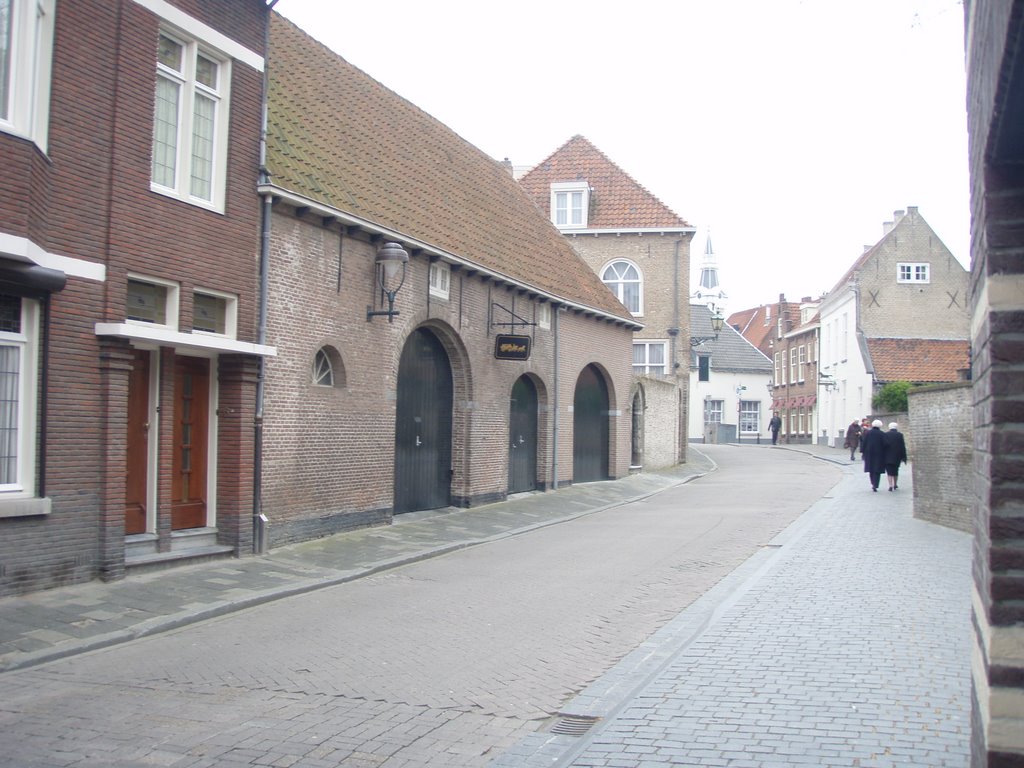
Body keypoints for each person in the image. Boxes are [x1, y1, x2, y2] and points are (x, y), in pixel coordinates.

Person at [861, 419, 886, 492]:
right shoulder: (882, 434)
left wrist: (863, 451)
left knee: (871, 469)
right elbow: (885, 444)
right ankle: (876, 484)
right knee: (877, 470)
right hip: (879, 454)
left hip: (869, 454)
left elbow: (864, 442)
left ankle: (872, 483)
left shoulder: (868, 433)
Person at [882, 422, 908, 491]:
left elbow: (883, 445)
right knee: (896, 471)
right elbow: (902, 446)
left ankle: (890, 485)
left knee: (889, 472)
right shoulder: (899, 435)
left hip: (887, 456)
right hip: (897, 456)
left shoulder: (885, 435)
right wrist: (904, 457)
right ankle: (895, 484)